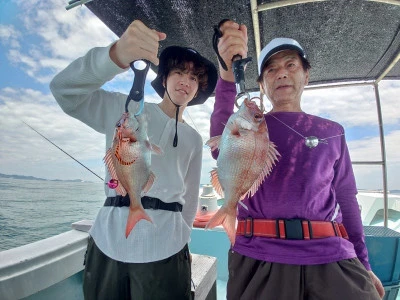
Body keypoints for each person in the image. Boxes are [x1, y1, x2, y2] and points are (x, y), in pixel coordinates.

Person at [210, 20, 385, 300]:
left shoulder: (333, 131)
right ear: (262, 84)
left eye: (291, 65)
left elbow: (347, 199)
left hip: (332, 256)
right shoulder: (250, 126)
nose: (281, 74)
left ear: (306, 75)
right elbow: (221, 131)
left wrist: (364, 264)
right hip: (260, 256)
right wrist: (227, 70)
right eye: (271, 69)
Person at [50, 20, 217, 300]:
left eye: (194, 77)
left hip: (167, 248)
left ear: (198, 89)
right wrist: (114, 56)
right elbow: (64, 91)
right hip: (107, 241)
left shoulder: (193, 139)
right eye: (178, 72)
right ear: (164, 79)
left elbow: (189, 198)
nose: (186, 81)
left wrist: (180, 237)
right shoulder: (125, 110)